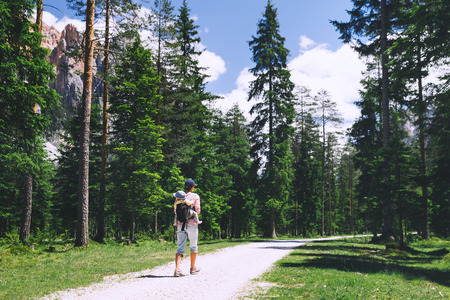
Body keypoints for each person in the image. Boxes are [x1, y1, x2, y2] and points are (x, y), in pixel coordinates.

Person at [173, 179, 201, 277]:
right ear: (192, 187)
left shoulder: (179, 196)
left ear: (185, 187)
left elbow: (175, 210)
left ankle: (177, 269)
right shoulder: (195, 196)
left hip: (180, 224)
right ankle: (192, 268)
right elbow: (198, 210)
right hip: (192, 224)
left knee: (180, 246)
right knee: (193, 246)